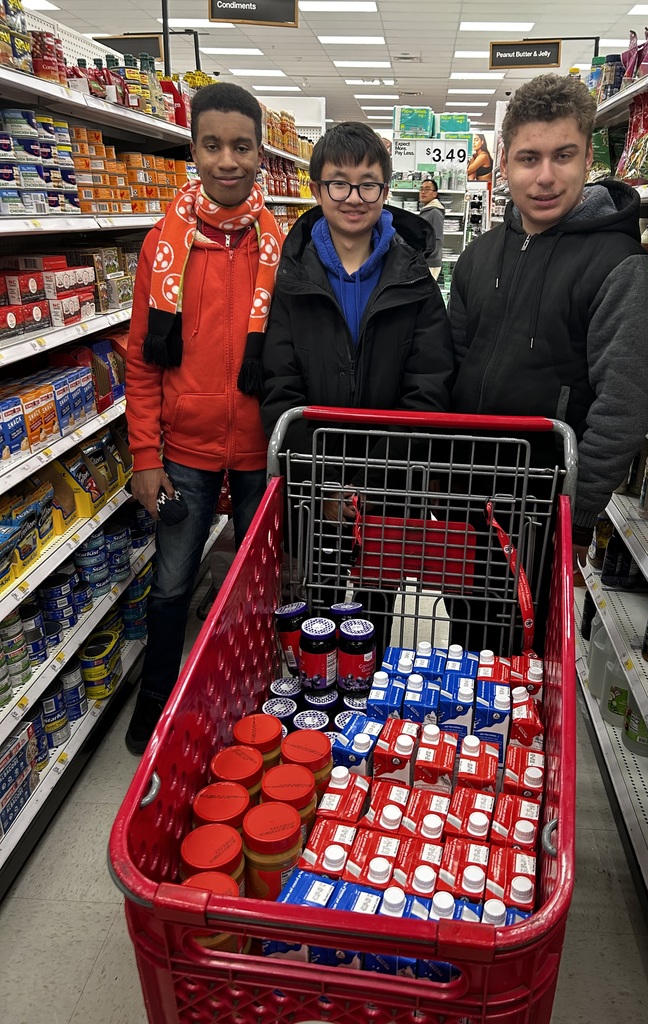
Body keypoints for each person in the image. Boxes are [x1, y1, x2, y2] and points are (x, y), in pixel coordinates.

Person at [448, 73, 648, 647]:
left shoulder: (620, 265)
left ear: (589, 156)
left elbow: (623, 405)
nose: (545, 177)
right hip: (468, 501)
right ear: (505, 166)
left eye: (563, 155)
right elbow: (456, 372)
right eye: (528, 158)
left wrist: (575, 515)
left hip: (545, 514)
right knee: (470, 641)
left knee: (527, 663)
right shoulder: (477, 257)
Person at [123, 83, 282, 754]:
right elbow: (141, 364)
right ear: (192, 150)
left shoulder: (280, 245)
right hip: (183, 451)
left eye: (241, 146)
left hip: (256, 452)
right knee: (172, 584)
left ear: (260, 155)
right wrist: (145, 456)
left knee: (257, 587)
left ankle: (248, 702)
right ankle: (156, 708)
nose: (227, 160)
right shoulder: (163, 244)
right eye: (212, 145)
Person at [260, 122, 453, 652]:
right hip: (314, 489)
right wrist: (321, 483)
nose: (353, 197)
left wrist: (377, 485)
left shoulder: (415, 281)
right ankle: (325, 711)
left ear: (386, 192)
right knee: (317, 606)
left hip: (388, 490)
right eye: (338, 183)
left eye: (368, 184)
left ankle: (369, 712)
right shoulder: (293, 279)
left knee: (376, 607)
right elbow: (280, 385)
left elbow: (429, 385)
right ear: (317, 190)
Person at [418, 177, 445, 280]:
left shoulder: (435, 212)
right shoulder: (427, 210)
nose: (423, 192)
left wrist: (425, 257)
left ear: (435, 194)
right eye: (421, 189)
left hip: (430, 263)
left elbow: (438, 239)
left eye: (427, 189)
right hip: (425, 261)